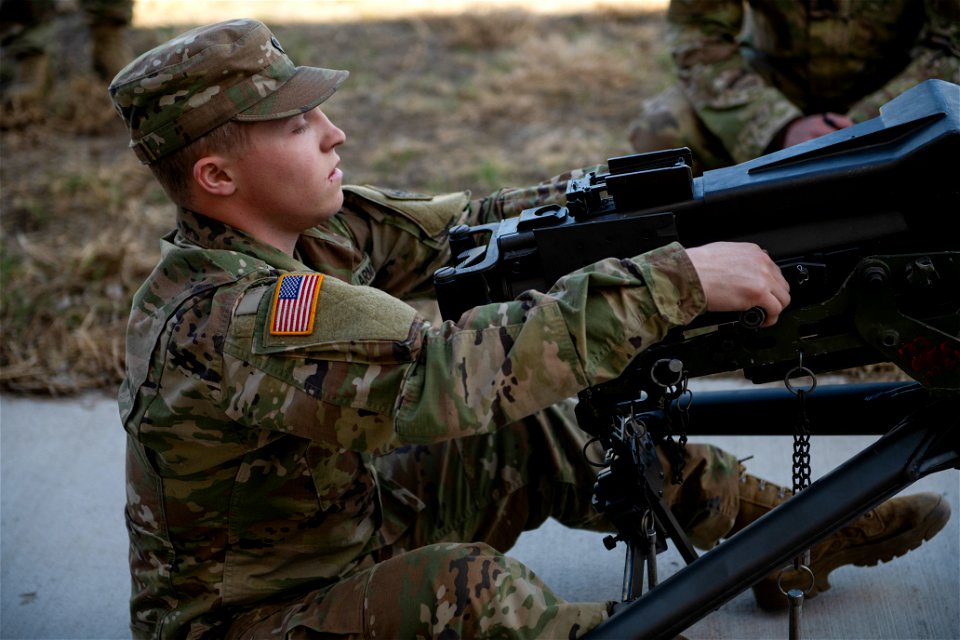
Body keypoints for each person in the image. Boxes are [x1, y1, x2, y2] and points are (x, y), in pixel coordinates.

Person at [108, 19, 950, 639]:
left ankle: (788, 537)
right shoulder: (229, 320)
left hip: (349, 519)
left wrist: (626, 215)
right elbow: (445, 381)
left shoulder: (313, 228)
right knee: (466, 593)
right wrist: (669, 282)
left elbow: (470, 230)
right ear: (217, 176)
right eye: (296, 126)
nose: (335, 133)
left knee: (547, 433)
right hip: (251, 616)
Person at [628, 0, 960, 173]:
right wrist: (778, 124)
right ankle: (703, 267)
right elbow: (698, 35)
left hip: (901, 88)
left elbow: (953, 45)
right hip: (772, 86)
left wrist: (868, 123)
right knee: (663, 133)